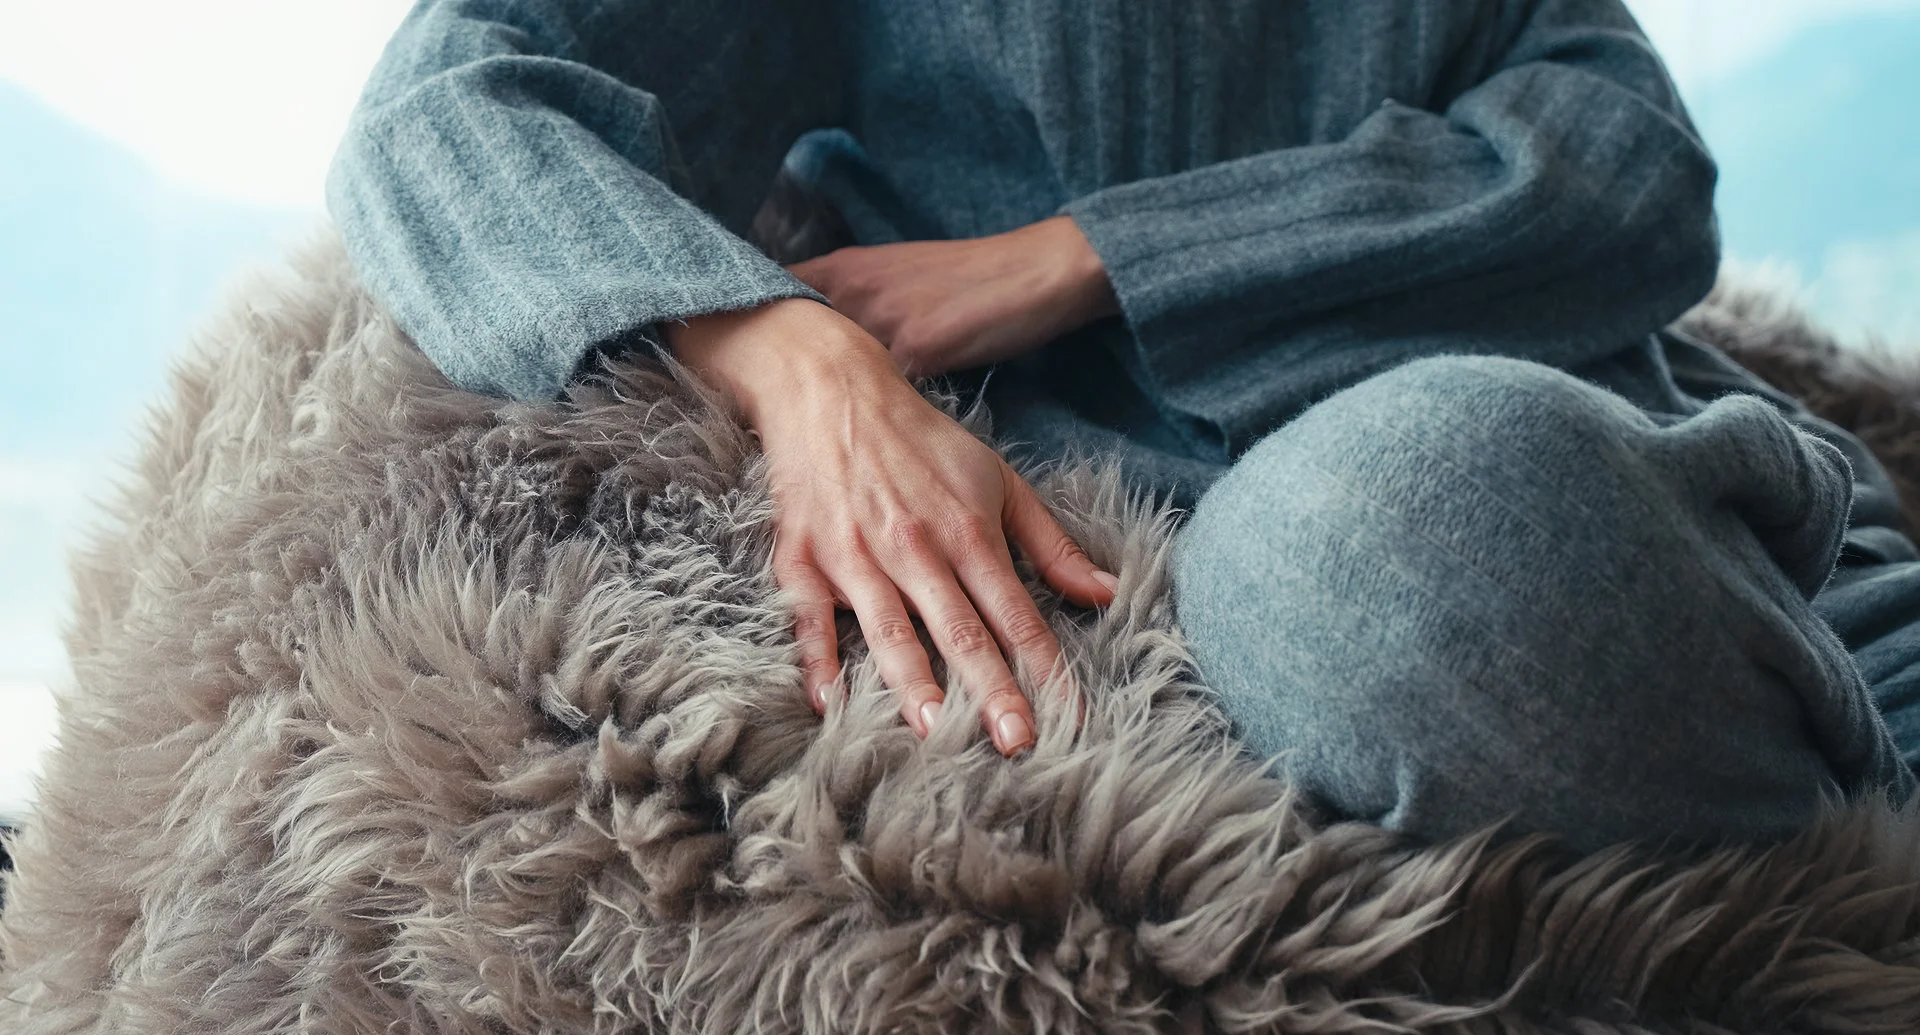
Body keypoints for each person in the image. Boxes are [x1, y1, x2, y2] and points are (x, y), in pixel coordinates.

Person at [328, 0, 1920, 854]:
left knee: (1395, 527)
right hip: (1202, 584)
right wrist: (792, 352)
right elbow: (449, 107)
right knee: (1368, 550)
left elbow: (1629, 174)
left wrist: (1079, 260)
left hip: (1689, 534)